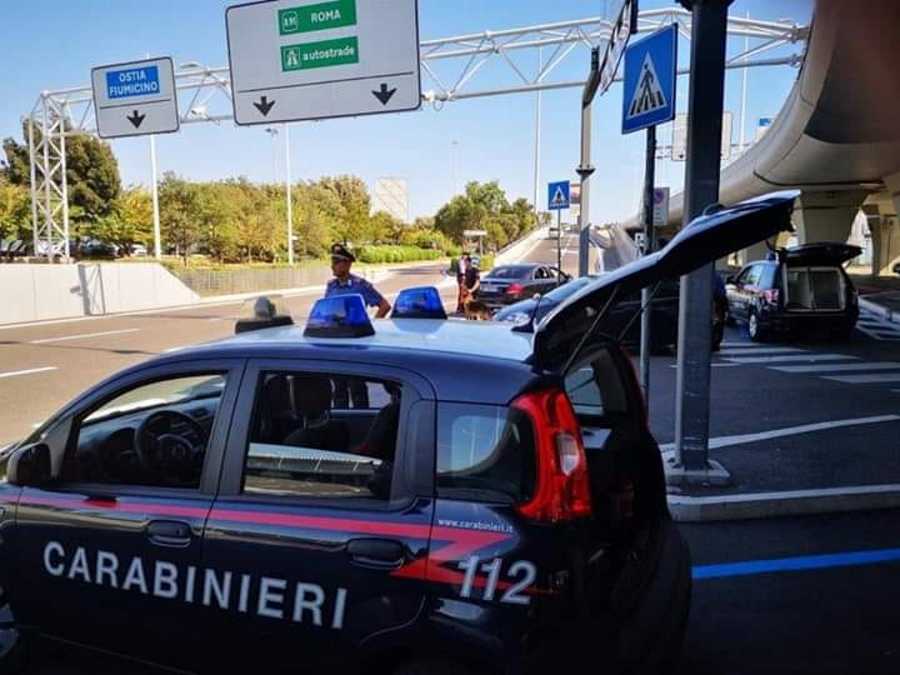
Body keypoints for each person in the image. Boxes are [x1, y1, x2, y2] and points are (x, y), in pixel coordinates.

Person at [325, 243, 390, 408]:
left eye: (336, 262)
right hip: (336, 344)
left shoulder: (360, 285)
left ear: (347, 263)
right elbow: (326, 310)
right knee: (338, 390)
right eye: (332, 261)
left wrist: (370, 327)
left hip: (355, 344)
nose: (332, 266)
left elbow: (384, 305)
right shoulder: (331, 286)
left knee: (357, 388)